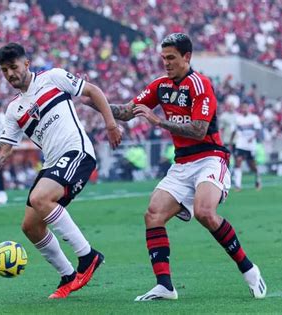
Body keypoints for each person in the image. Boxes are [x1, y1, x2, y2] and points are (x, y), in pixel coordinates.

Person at [87, 33, 266, 301]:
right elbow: (127, 110)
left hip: (210, 157)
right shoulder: (160, 85)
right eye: (163, 58)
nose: (166, 63)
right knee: (153, 214)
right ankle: (165, 286)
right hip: (182, 164)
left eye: (171, 58)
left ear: (187, 57)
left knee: (205, 212)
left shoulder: (200, 84)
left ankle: (249, 270)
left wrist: (158, 122)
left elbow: (198, 129)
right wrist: (93, 102)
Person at [0, 43, 122, 299]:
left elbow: (92, 91)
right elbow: (4, 149)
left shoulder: (53, 78)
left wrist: (111, 124)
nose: (10, 74)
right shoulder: (14, 109)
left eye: (13, 67)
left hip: (77, 152)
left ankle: (88, 256)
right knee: (30, 226)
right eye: (4, 70)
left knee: (40, 198)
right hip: (52, 163)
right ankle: (68, 275)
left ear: (26, 63)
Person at [230, 103, 263, 191]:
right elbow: (234, 131)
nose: (244, 109)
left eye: (246, 107)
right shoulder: (238, 119)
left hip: (250, 145)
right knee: (238, 162)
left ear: (248, 108)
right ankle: (238, 185)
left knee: (252, 165)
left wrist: (252, 137)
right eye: (243, 108)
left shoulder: (254, 118)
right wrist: (231, 141)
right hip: (240, 143)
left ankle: (258, 179)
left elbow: (258, 130)